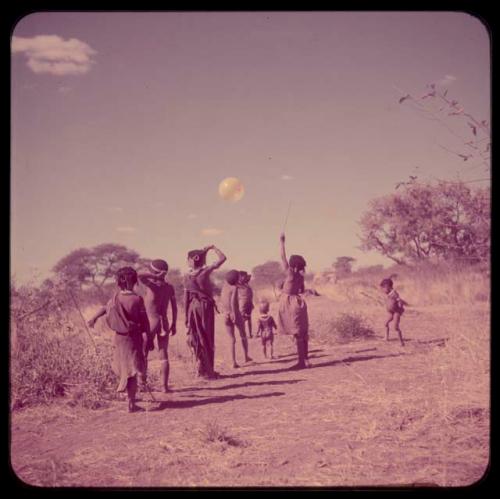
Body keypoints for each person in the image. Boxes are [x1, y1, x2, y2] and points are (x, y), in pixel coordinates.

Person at [87, 267, 149, 413]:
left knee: (124, 368)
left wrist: (93, 318)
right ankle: (131, 403)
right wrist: (149, 338)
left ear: (118, 282)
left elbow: (104, 308)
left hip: (119, 339)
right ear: (134, 281)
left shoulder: (115, 298)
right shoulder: (137, 299)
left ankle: (129, 399)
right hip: (134, 338)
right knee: (132, 370)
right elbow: (144, 321)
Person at [134, 259, 177, 392]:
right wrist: (174, 323)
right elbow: (174, 308)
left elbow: (138, 275)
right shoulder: (169, 287)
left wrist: (154, 276)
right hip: (164, 322)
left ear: (153, 271)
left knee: (143, 353)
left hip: (150, 322)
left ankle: (142, 384)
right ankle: (164, 387)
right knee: (163, 355)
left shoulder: (152, 285)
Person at [184, 245, 226, 379]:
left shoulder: (187, 276)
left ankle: (200, 370)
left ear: (191, 260)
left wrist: (186, 315)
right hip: (205, 307)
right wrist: (213, 248)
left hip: (192, 308)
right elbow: (222, 258)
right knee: (207, 338)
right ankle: (209, 371)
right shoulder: (205, 272)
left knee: (196, 337)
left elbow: (186, 298)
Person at [278, 233, 310, 369]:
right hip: (299, 302)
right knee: (303, 332)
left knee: (297, 334)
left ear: (293, 265)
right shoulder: (300, 276)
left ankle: (301, 362)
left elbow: (282, 257)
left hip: (290, 303)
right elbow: (301, 290)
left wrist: (282, 242)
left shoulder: (290, 273)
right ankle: (306, 359)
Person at [220, 270, 252, 368]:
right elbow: (233, 302)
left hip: (225, 314)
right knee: (243, 334)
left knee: (231, 339)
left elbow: (223, 301)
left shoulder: (224, 287)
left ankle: (233, 362)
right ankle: (246, 356)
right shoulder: (234, 288)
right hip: (234, 313)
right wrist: (233, 313)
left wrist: (226, 312)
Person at [380, 278, 407, 347]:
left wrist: (400, 305)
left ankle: (401, 342)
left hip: (396, 312)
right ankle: (386, 337)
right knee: (385, 323)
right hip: (390, 312)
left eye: (383, 289)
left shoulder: (394, 293)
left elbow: (399, 301)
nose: (383, 291)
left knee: (395, 327)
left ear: (387, 287)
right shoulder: (389, 294)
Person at [237, 271, 255, 338]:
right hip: (243, 305)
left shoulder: (246, 283)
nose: (246, 277)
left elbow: (249, 276)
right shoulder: (237, 285)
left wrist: (245, 277)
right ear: (240, 277)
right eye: (244, 276)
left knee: (249, 319)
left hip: (249, 303)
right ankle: (243, 334)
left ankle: (250, 334)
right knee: (243, 319)